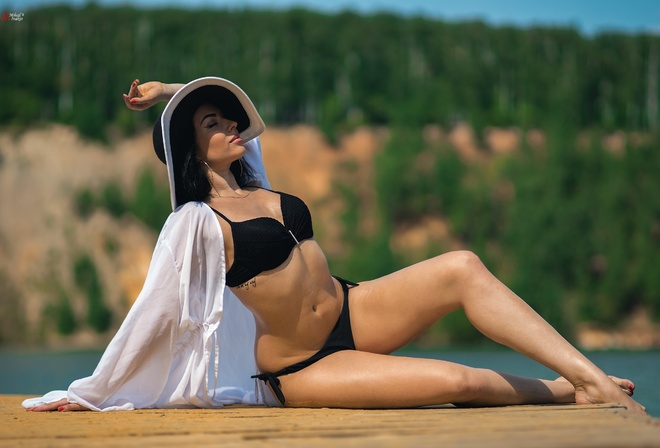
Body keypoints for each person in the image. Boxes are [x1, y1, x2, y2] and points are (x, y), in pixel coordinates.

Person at [25, 76, 646, 415]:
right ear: (192, 150)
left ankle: (584, 373)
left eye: (229, 118)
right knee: (459, 379)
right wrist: (93, 390)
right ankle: (574, 389)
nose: (231, 126)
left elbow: (233, 116)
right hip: (305, 364)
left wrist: (171, 94)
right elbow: (154, 310)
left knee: (461, 266)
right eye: (212, 124)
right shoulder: (196, 222)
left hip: (353, 305)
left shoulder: (258, 183)